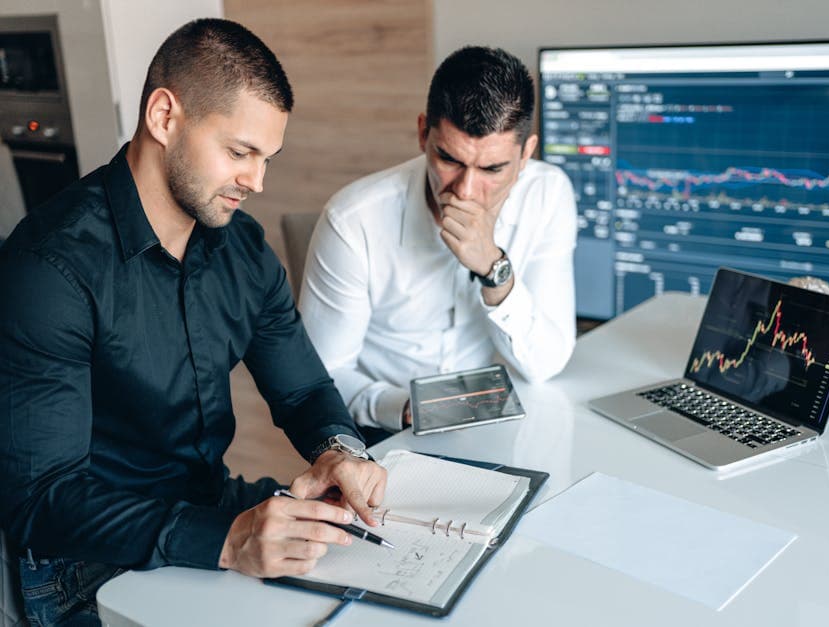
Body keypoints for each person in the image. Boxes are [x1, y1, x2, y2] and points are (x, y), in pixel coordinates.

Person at [0, 19, 386, 625]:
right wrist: (230, 540)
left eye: (266, 159)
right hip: (82, 563)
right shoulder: (49, 268)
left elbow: (305, 388)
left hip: (207, 503)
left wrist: (337, 449)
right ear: (163, 116)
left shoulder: (243, 250)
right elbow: (42, 499)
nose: (256, 181)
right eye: (239, 152)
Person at [298, 46, 577, 434]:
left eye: (493, 169)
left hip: (499, 422)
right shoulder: (353, 222)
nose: (465, 191)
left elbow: (546, 363)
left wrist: (495, 271)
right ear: (422, 134)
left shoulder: (549, 195)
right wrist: (407, 408)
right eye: (449, 160)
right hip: (385, 428)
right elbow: (317, 380)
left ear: (526, 153)